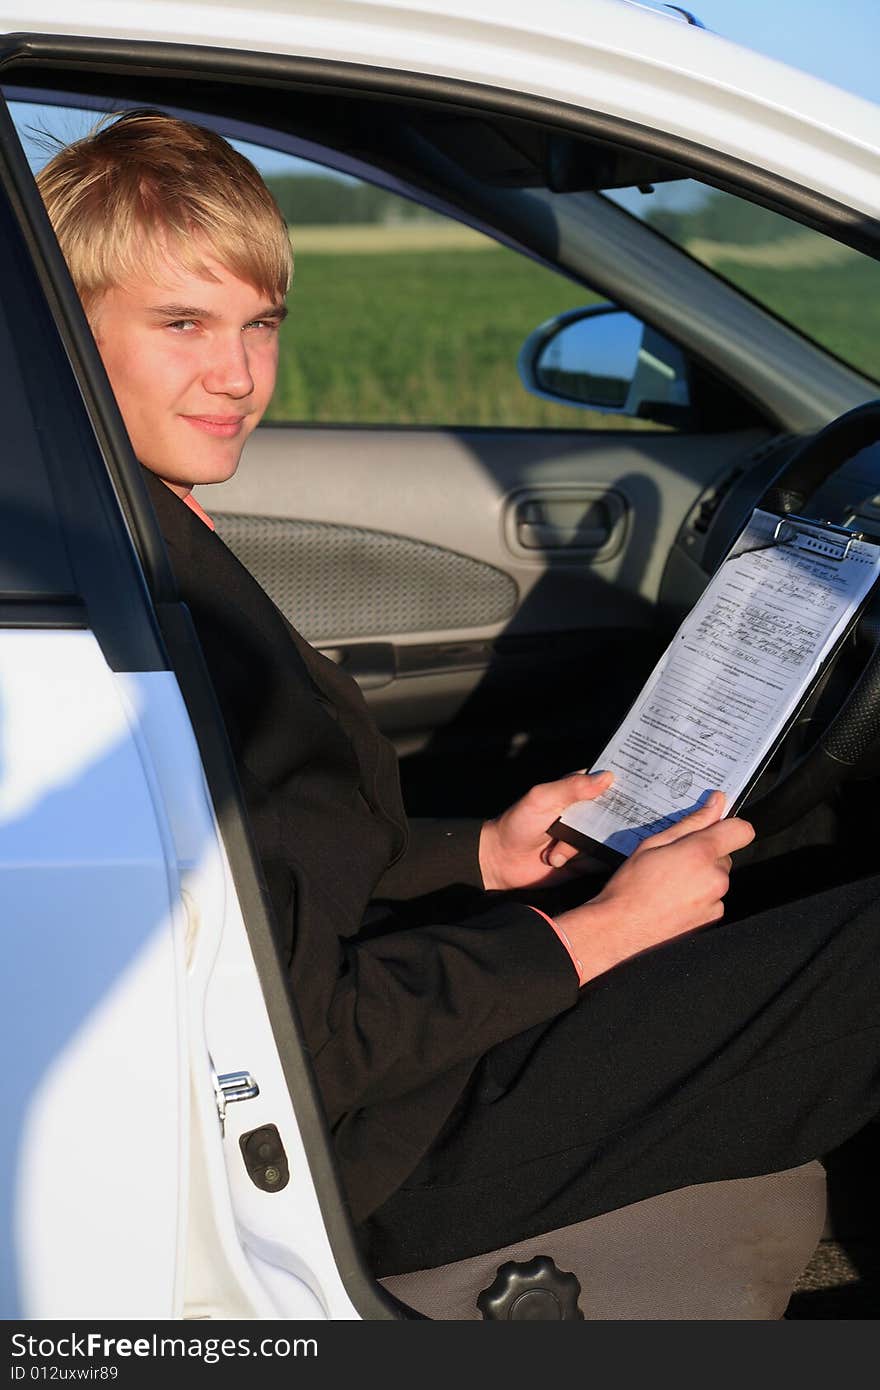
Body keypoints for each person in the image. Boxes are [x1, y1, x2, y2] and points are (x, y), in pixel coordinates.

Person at [36, 110, 880, 1279]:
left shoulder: (142, 535)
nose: (235, 375)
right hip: (378, 1147)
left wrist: (481, 855)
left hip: (383, 1055)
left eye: (260, 325)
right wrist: (594, 933)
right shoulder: (137, 607)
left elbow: (276, 878)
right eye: (182, 325)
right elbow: (301, 1045)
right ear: (62, 337)